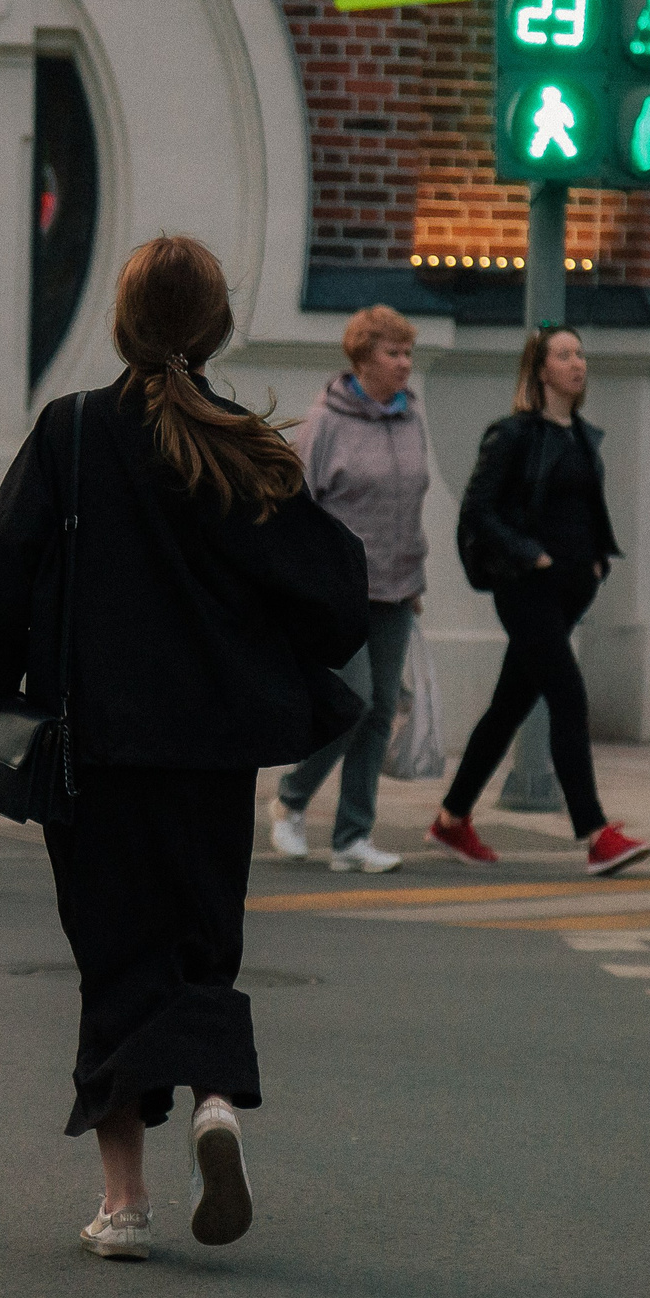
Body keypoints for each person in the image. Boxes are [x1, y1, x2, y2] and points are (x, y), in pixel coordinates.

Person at [0, 236, 369, 1263]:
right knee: (200, 940)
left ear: (122, 322)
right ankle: (216, 1103)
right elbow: (334, 597)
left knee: (117, 962)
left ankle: (125, 1203)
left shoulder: (72, 433)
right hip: (215, 751)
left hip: (96, 751)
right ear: (216, 329)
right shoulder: (243, 446)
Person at [431, 324, 650, 879]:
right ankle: (596, 835)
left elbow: (585, 509)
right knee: (568, 697)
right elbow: (477, 510)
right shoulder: (512, 435)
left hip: (570, 593)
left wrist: (596, 559)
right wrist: (532, 556)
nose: (578, 363)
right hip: (526, 590)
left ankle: (452, 819)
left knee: (508, 707)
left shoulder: (582, 436)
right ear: (541, 369)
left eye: (581, 353)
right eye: (565, 355)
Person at [270, 304, 432, 874]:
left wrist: (415, 578)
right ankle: (291, 799)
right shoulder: (325, 422)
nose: (404, 363)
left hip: (397, 588)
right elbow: (297, 509)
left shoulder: (411, 418)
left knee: (381, 710)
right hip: (339, 592)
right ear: (363, 358)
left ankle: (352, 837)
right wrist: (303, 587)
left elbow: (411, 504)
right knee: (353, 701)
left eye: (408, 353)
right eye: (393, 353)